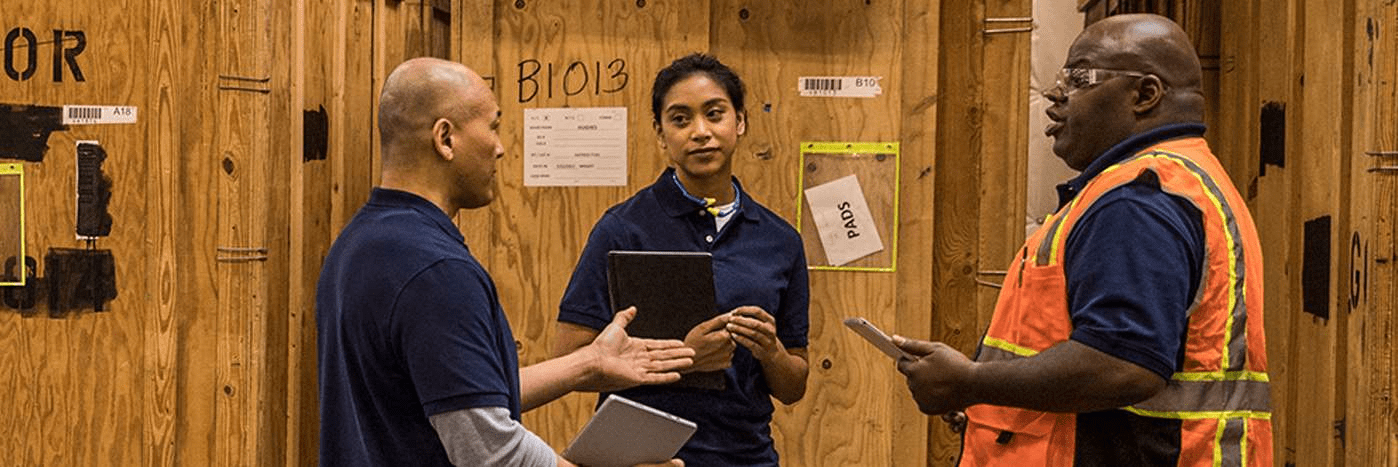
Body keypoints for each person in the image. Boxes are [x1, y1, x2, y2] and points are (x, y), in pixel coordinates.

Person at [893, 14, 1273, 466]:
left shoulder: (1140, 200)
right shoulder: (1180, 182)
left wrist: (972, 383)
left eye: (1078, 78)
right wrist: (992, 399)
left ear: (1144, 95)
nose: (1056, 95)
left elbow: (1122, 366)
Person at [315, 57, 694, 467]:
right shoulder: (436, 270)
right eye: (493, 126)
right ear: (446, 138)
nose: (500, 147)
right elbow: (490, 452)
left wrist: (588, 364)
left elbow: (453, 395)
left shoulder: (360, 243)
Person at [550, 53, 810, 466]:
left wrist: (771, 352)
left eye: (714, 114)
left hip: (744, 455)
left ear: (740, 122)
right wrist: (682, 358)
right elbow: (568, 359)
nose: (701, 132)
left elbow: (794, 385)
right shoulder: (621, 229)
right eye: (680, 119)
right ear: (660, 134)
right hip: (637, 456)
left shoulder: (780, 240)